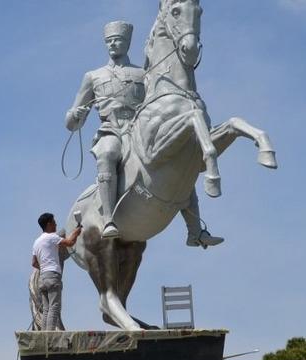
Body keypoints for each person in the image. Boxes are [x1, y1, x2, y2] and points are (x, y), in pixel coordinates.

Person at [65, 20, 223, 248]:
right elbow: (72, 122)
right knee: (107, 153)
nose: (113, 44)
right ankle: (109, 218)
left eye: (117, 40)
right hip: (112, 129)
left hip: (140, 129)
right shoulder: (93, 76)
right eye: (109, 41)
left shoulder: (143, 73)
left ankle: (195, 230)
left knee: (180, 159)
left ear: (127, 43)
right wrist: (75, 115)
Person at [32, 213, 82, 331]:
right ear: (49, 224)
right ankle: (49, 336)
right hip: (53, 276)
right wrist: (77, 230)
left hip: (42, 278)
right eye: (54, 222)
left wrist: (44, 267)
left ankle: (44, 335)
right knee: (54, 307)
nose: (56, 225)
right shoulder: (52, 237)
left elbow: (34, 263)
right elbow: (70, 242)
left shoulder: (37, 242)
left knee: (46, 309)